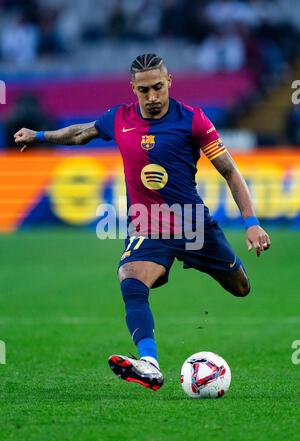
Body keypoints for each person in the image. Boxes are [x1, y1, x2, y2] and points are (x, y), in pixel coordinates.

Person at [14, 53, 271, 391]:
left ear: (170, 83)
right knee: (130, 279)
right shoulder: (118, 118)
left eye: (158, 88)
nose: (152, 98)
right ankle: (149, 363)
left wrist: (251, 222)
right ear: (133, 88)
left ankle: (222, 267)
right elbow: (80, 134)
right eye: (144, 90)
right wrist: (40, 136)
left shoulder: (193, 120)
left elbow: (229, 172)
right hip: (147, 223)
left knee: (241, 287)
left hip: (192, 223)